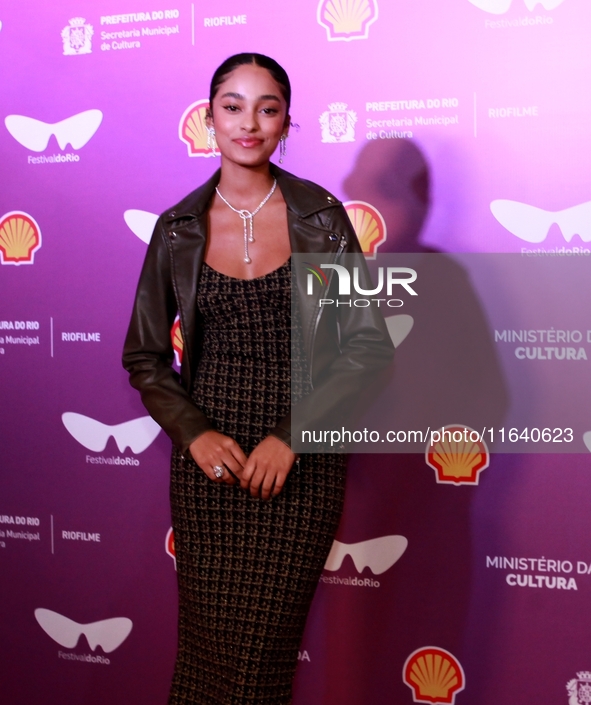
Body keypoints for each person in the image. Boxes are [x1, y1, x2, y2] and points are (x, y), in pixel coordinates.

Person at [123, 53, 394, 705]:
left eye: (267, 108)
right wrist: (194, 433)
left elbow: (366, 347)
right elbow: (145, 356)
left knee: (258, 663)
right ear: (208, 118)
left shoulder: (322, 218)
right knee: (204, 657)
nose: (249, 123)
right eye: (232, 106)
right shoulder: (178, 227)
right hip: (208, 464)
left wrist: (290, 437)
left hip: (297, 460)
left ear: (286, 122)